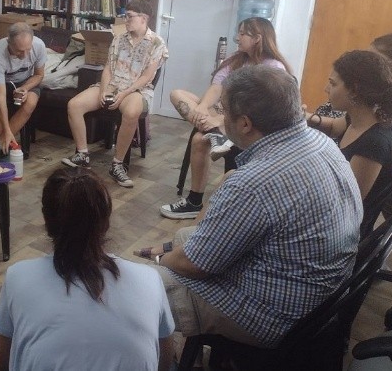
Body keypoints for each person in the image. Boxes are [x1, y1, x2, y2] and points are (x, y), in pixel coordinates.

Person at [136, 66, 361, 350]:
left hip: (274, 316)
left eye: (223, 112)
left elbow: (196, 266)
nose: (220, 118)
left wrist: (159, 260)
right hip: (319, 295)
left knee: (140, 288)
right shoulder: (322, 143)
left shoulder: (255, 183)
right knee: (183, 240)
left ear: (244, 124)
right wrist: (176, 250)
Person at [0, 167, 174, 371]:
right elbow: (164, 362)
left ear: (47, 222)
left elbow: (1, 363)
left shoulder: (18, 277)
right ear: (105, 221)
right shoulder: (149, 279)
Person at [160, 17, 291, 218]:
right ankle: (215, 134)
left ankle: (194, 201)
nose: (237, 38)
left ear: (257, 38)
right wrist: (203, 108)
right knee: (176, 94)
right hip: (224, 114)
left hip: (249, 123)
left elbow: (257, 108)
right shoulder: (236, 59)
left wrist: (220, 121)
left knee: (198, 139)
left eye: (242, 34)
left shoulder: (272, 67)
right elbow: (217, 86)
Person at [61, 0, 168, 188]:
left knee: (132, 111)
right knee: (74, 105)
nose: (126, 20)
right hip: (113, 85)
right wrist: (103, 90)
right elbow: (108, 69)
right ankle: (83, 154)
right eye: (125, 16)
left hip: (137, 89)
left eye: (129, 17)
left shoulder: (157, 43)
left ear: (143, 18)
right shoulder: (119, 39)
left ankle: (117, 164)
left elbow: (147, 77)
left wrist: (124, 93)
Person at [305, 50, 392, 235]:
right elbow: (333, 126)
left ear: (355, 90)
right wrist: (301, 117)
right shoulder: (359, 118)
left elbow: (346, 203)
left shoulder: (375, 143)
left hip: (342, 232)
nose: (326, 89)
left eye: (333, 84)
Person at [314, 33, 392, 134]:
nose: (366, 64)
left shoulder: (390, 112)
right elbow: (335, 126)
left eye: (374, 60)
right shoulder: (360, 96)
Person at [0, 22, 46, 155]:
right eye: (19, 51)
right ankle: (7, 140)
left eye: (28, 49)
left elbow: (39, 75)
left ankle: (0, 143)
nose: (25, 55)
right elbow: (0, 97)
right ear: (9, 43)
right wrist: (7, 130)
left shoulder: (39, 46)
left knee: (31, 101)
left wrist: (25, 88)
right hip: (2, 81)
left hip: (26, 81)